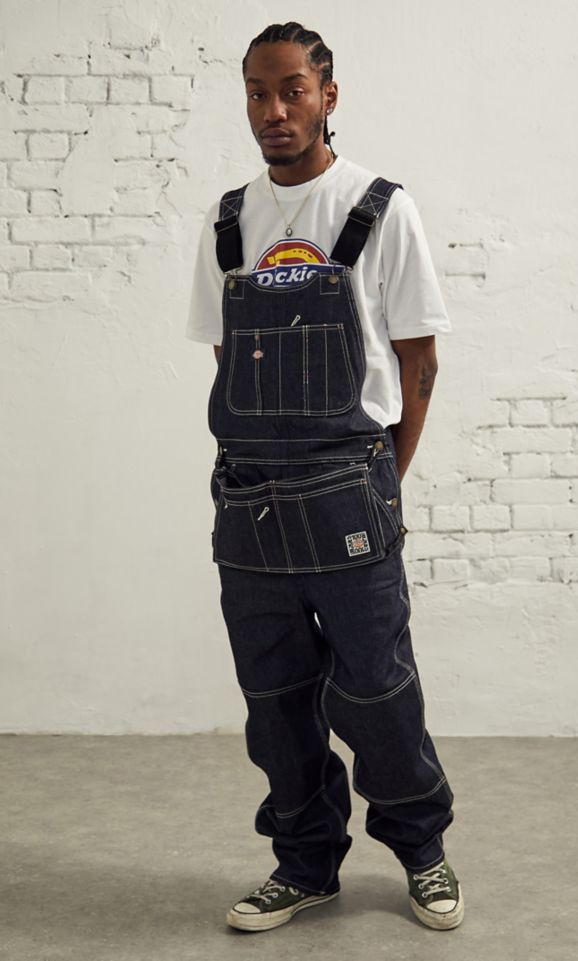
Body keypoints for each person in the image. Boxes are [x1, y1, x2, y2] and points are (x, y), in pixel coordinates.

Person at [186, 21, 464, 934]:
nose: (273, 109)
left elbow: (418, 363)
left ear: (327, 97)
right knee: (274, 702)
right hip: (248, 501)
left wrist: (384, 480)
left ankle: (421, 849)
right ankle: (304, 864)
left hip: (351, 485)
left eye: (292, 90)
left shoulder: (380, 209)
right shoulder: (229, 221)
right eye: (258, 93)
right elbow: (230, 358)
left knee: (376, 691)